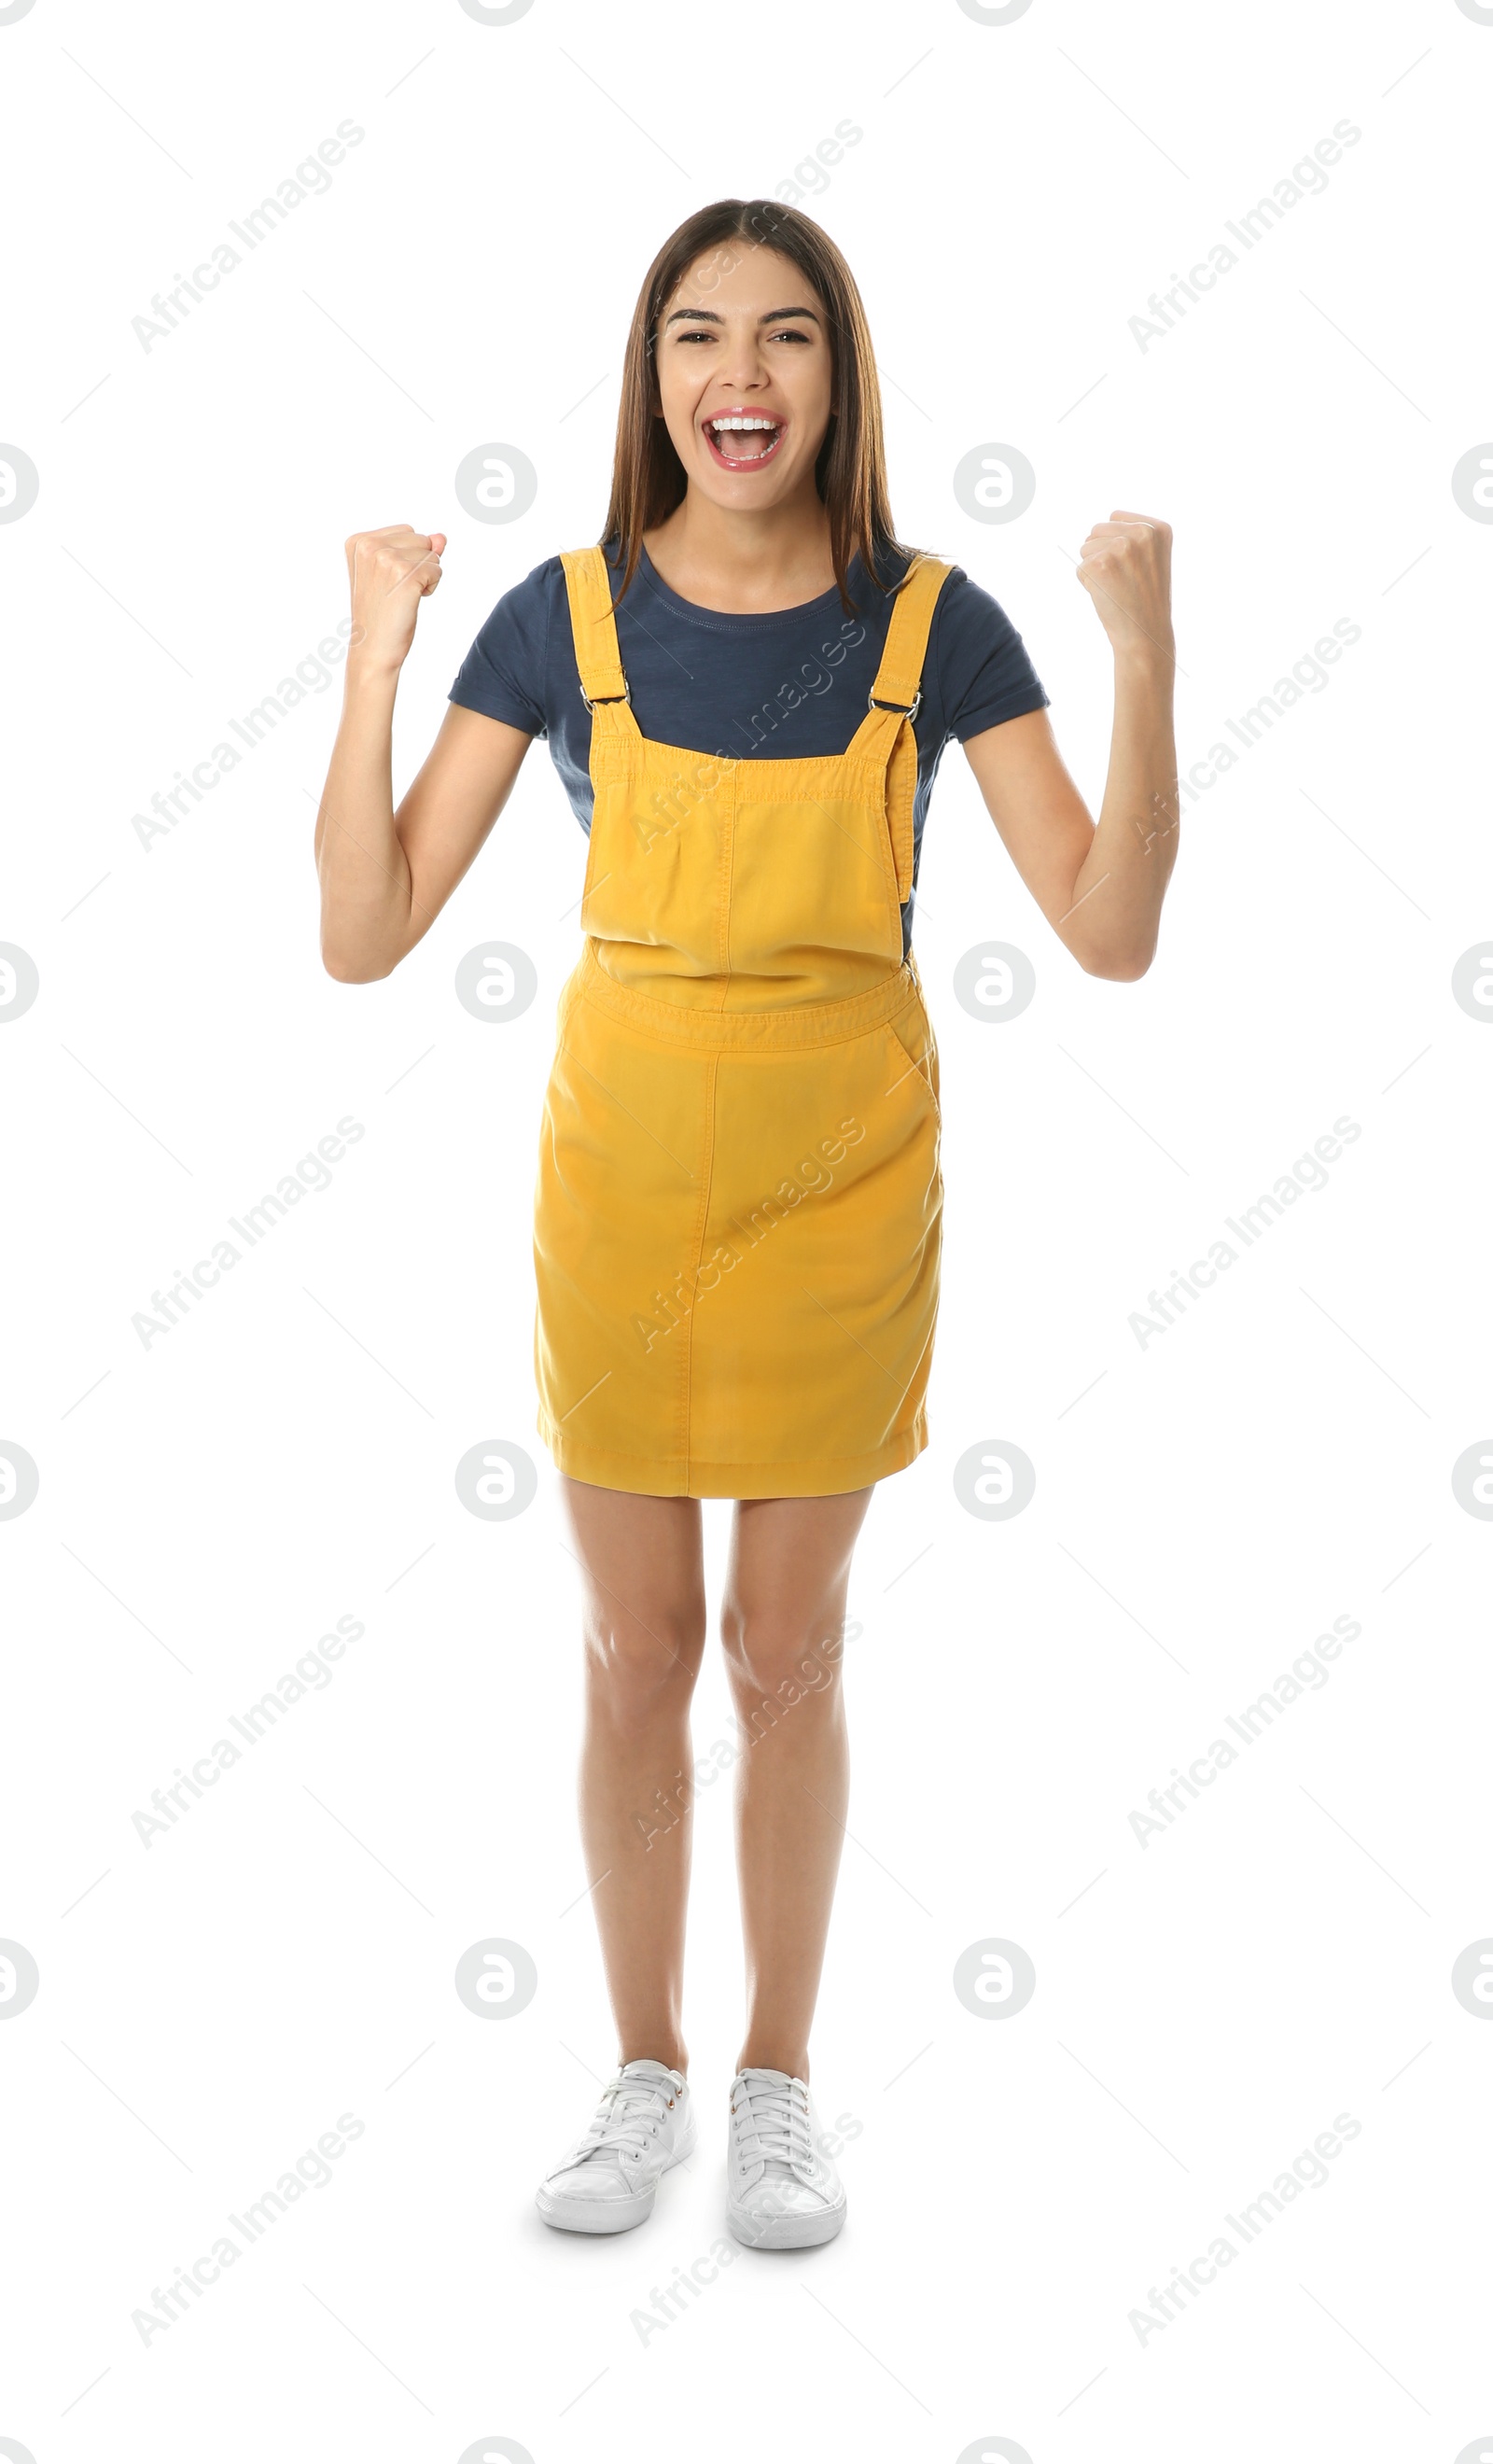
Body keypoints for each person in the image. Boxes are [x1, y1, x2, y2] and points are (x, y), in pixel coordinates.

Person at [314, 197, 1179, 2252]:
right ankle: (640, 2076)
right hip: (620, 1190)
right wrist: (373, 652)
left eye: (785, 338)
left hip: (838, 1194)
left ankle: (777, 2085)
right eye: (697, 337)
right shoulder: (565, 620)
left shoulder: (931, 625)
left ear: (837, 377)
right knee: (635, 1646)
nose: (739, 378)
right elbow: (362, 930)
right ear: (650, 380)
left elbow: (1110, 928)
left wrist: (1145, 659)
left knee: (783, 1653)